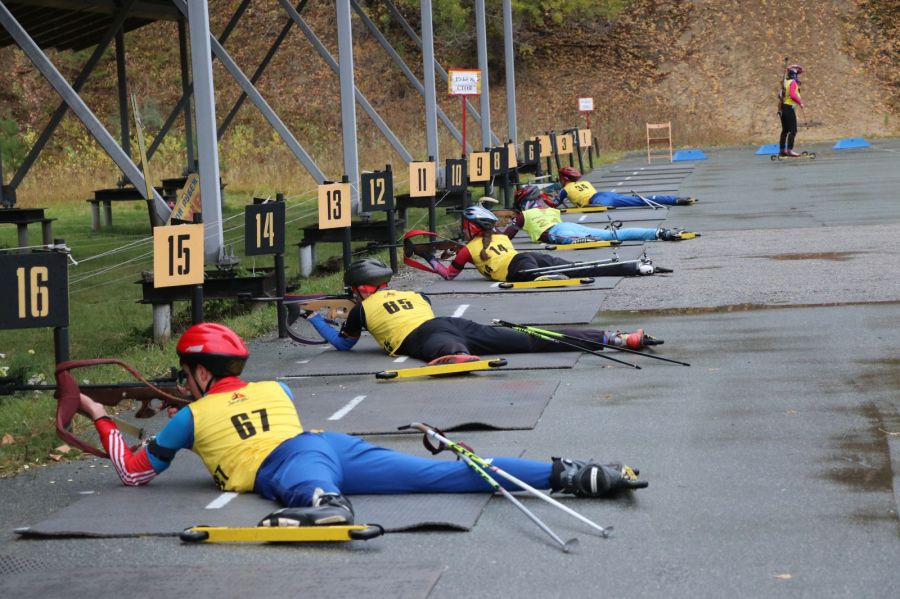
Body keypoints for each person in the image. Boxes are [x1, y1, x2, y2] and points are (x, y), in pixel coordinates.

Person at [77, 322, 648, 526]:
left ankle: (322, 504)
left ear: (198, 371)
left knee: (305, 484)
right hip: (329, 443)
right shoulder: (275, 387)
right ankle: (574, 472)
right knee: (439, 477)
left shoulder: (192, 417)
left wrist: (100, 418)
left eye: (186, 371)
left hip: (299, 463)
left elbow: (132, 471)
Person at [304, 257, 663, 365]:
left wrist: (317, 319)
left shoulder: (360, 311)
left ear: (361, 288)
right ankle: (615, 337)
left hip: (425, 336)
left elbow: (344, 345)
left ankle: (459, 359)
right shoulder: (414, 293)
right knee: (525, 337)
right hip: (447, 321)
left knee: (449, 352)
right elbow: (417, 313)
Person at [411, 205, 669, 281]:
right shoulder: (500, 236)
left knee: (571, 273)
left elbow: (448, 274)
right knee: (582, 268)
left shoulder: (467, 250)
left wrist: (429, 257)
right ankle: (636, 267)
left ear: (470, 227)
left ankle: (548, 278)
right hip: (527, 257)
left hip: (518, 270)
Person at [504, 186, 697, 244]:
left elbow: (505, 238)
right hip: (568, 225)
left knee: (590, 239)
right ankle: (659, 232)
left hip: (558, 232)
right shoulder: (551, 210)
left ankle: (584, 240)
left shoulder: (522, 216)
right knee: (612, 235)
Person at [549, 167, 697, 208]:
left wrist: (542, 196)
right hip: (604, 194)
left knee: (637, 201)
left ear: (564, 179)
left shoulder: (564, 190)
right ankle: (675, 199)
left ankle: (676, 200)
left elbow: (554, 205)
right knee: (639, 200)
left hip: (598, 200)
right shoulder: (586, 183)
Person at [778, 64, 805, 157]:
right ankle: (789, 150)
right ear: (794, 74)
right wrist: (800, 103)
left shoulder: (785, 82)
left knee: (785, 130)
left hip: (782, 108)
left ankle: (782, 150)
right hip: (789, 108)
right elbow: (793, 95)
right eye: (797, 74)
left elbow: (779, 95)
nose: (798, 76)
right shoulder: (793, 82)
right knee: (793, 130)